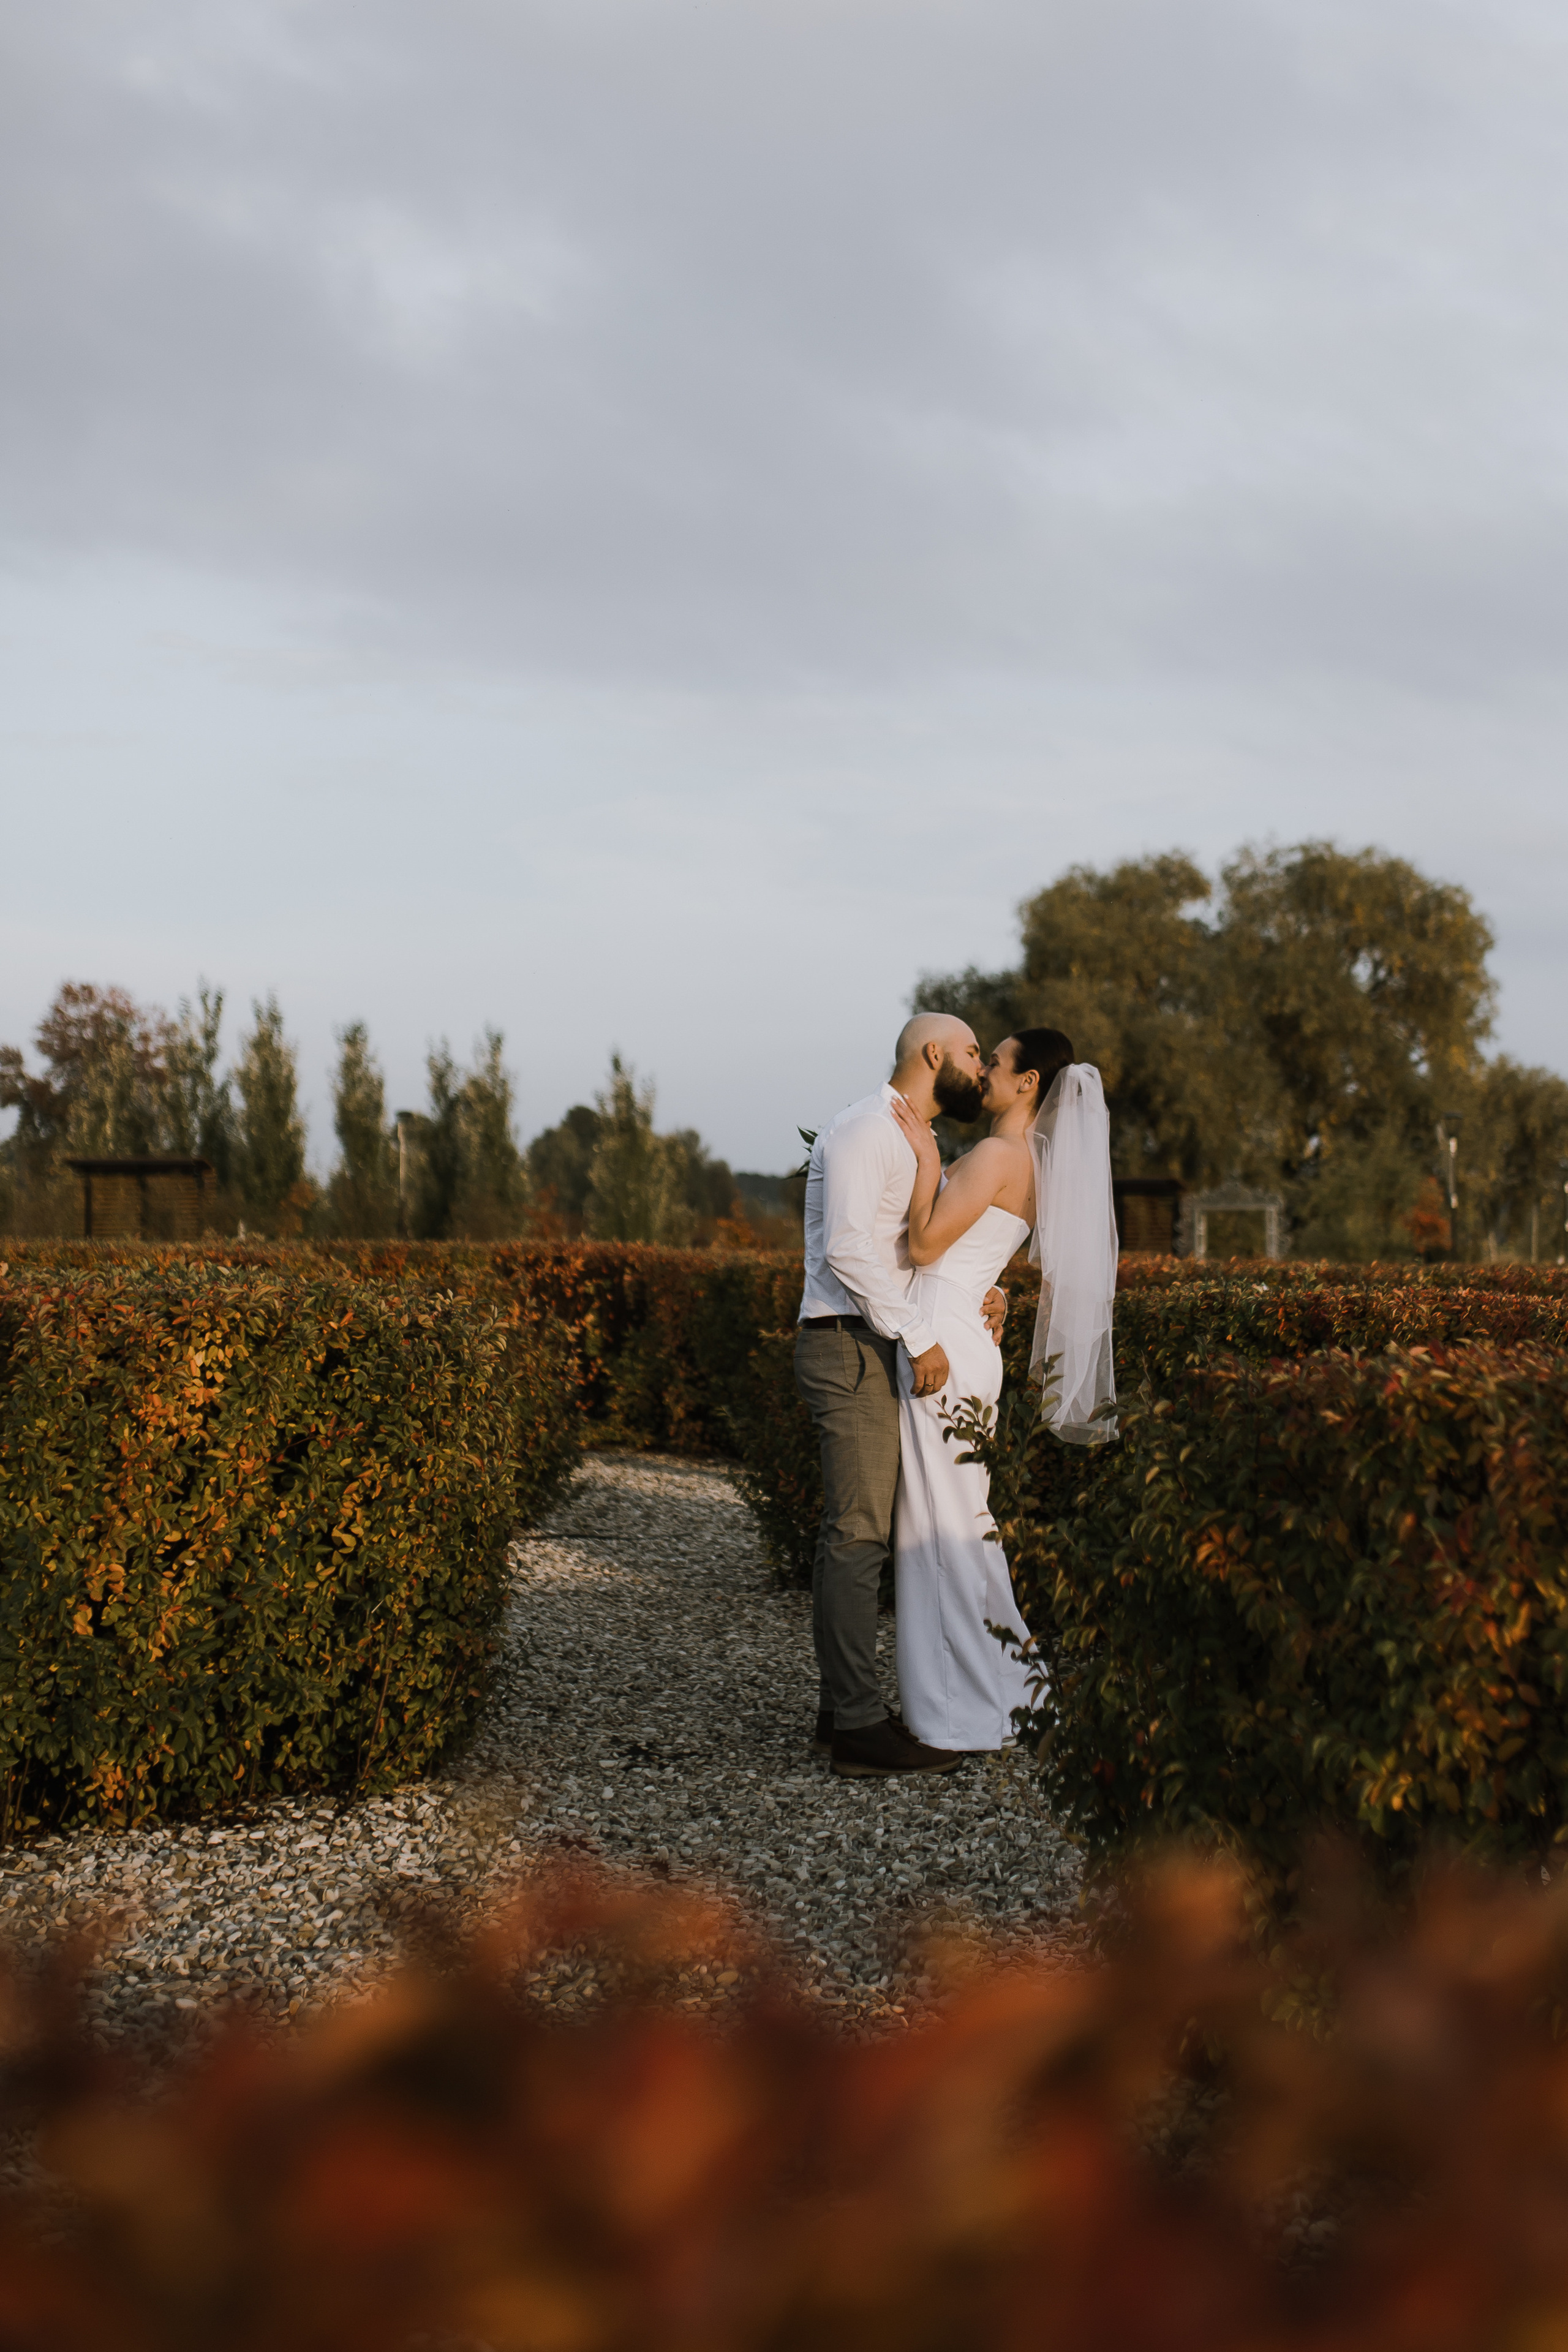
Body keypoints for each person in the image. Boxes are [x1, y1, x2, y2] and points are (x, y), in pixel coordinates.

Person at [889, 1030, 1117, 1752]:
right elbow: (985, 1251)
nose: (982, 1069)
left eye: (996, 1061)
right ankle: (1012, 1690)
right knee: (960, 1521)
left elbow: (924, 1247)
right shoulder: (1034, 1165)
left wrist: (924, 1160)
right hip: (968, 1335)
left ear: (1028, 1084)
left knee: (938, 1529)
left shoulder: (993, 1155)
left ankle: (963, 1713)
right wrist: (997, 1293)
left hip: (945, 1341)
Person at [795, 1014, 1010, 1778]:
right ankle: (855, 1726)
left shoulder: (912, 1139)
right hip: (848, 1341)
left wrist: (989, 1294)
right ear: (932, 1055)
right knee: (857, 1533)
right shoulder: (864, 1130)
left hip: (875, 1339)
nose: (980, 1069)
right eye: (972, 1053)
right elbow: (847, 1249)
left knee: (862, 1529)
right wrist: (916, 1337)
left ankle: (840, 1707)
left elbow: (933, 1251)